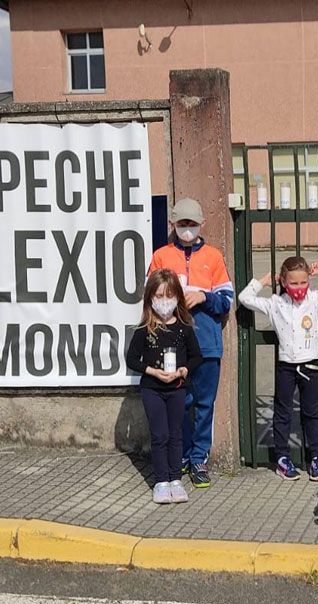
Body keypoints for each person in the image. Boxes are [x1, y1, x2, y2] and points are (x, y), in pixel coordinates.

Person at [148, 198, 235, 489]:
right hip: (173, 345)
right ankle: (181, 456)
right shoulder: (161, 255)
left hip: (207, 343)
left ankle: (199, 459)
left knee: (204, 404)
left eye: (192, 224)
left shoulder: (214, 256)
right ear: (172, 224)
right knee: (178, 403)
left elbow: (226, 301)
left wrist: (204, 297)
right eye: (182, 224)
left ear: (201, 224)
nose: (187, 229)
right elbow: (151, 295)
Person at [238, 257, 318, 482]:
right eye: (293, 283)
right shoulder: (276, 304)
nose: (299, 288)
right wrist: (263, 281)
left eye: (303, 282)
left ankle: (315, 457)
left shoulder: (313, 299)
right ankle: (282, 457)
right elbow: (244, 298)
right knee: (282, 412)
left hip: (310, 365)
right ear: (284, 282)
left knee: (312, 413)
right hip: (286, 366)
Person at [125, 270, 203, 505]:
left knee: (175, 434)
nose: (164, 301)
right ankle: (160, 481)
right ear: (150, 298)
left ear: (178, 297)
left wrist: (183, 370)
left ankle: (175, 479)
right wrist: (151, 371)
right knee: (159, 435)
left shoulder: (184, 328)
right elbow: (132, 359)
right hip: (152, 389)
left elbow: (196, 357)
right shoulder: (144, 329)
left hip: (177, 388)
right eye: (159, 296)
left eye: (169, 295)